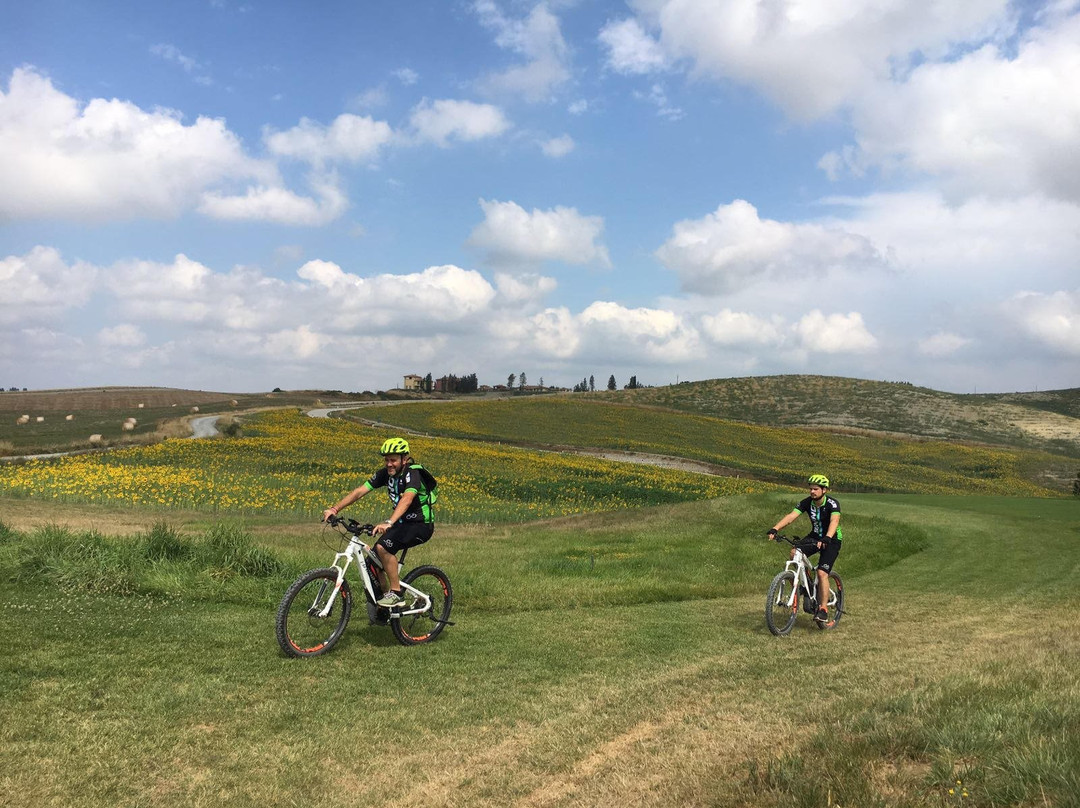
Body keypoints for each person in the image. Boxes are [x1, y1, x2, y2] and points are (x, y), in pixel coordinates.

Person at [322, 437, 436, 608]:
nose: (389, 464)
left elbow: (407, 499)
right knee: (372, 563)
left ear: (404, 459)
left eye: (393, 460)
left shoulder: (413, 474)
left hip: (420, 525)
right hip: (402, 524)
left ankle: (396, 594)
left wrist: (389, 522)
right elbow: (360, 491)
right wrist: (335, 509)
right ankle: (383, 607)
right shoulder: (386, 474)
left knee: (383, 548)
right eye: (386, 460)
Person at [767, 473, 842, 628]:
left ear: (824, 490)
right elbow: (791, 516)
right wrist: (775, 528)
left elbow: (834, 521)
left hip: (832, 539)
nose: (812, 492)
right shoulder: (807, 503)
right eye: (811, 489)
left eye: (816, 489)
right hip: (815, 537)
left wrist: (827, 537)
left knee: (822, 573)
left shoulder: (833, 504)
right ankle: (806, 584)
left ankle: (823, 608)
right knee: (794, 553)